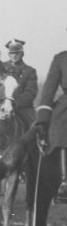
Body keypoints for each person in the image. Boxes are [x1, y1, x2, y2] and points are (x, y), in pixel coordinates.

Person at [34, 45, 67, 201]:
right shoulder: (61, 59)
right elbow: (48, 91)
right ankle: (63, 182)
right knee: (59, 130)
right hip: (65, 107)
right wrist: (42, 120)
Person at [0, 39, 38, 129]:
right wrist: (0, 99)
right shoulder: (0, 68)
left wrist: (14, 102)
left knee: (34, 128)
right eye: (12, 53)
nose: (14, 55)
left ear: (22, 54)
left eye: (17, 53)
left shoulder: (30, 71)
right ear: (9, 54)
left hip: (22, 106)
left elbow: (30, 92)